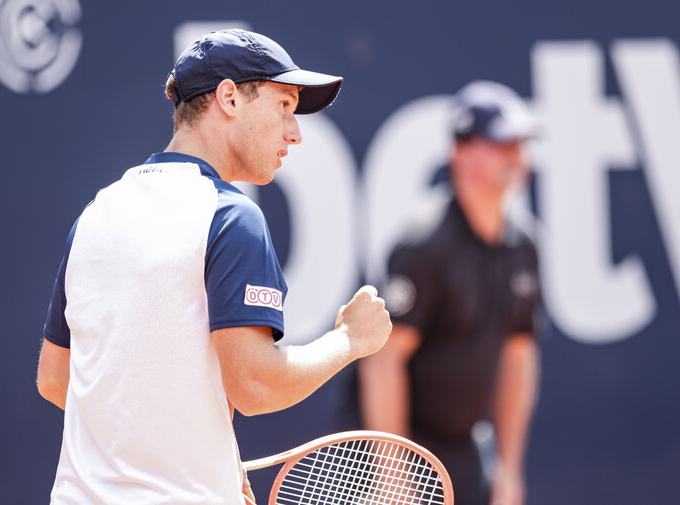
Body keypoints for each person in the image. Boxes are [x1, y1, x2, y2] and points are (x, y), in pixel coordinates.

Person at [36, 28, 392, 505]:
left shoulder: (97, 212)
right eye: (284, 106)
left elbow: (56, 380)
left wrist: (204, 457)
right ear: (229, 98)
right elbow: (256, 385)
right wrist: (351, 339)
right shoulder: (230, 216)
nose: (296, 131)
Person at [359, 81, 542, 505]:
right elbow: (382, 362)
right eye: (502, 142)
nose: (517, 155)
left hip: (466, 453)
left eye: (521, 143)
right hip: (402, 454)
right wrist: (392, 477)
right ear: (460, 154)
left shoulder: (526, 247)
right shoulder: (423, 245)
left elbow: (518, 361)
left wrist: (509, 472)